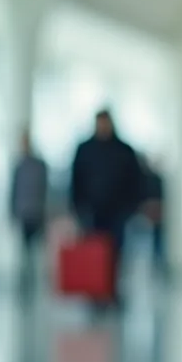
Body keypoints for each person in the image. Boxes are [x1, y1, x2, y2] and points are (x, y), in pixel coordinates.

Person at [70, 110, 145, 303]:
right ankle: (95, 291)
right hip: (92, 211)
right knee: (93, 254)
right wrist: (77, 208)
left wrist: (131, 207)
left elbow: (136, 181)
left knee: (116, 254)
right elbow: (76, 180)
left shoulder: (124, 151)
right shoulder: (85, 149)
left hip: (117, 212)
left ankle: (112, 290)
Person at [10, 133, 49, 264]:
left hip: (36, 211)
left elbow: (44, 189)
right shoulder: (18, 166)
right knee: (23, 248)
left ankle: (33, 275)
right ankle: (24, 276)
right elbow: (13, 190)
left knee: (36, 247)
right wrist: (12, 211)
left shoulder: (40, 165)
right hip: (23, 211)